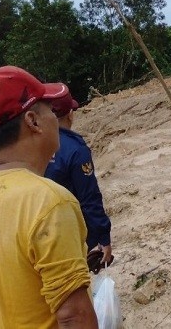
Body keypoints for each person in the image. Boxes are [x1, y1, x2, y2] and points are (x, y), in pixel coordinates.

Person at [0, 66, 97, 328]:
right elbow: (73, 316)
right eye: (51, 110)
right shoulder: (50, 202)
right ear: (33, 121)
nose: (56, 118)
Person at [45, 87, 113, 273]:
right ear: (70, 115)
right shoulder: (76, 150)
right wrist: (103, 237)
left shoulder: (31, 144)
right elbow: (89, 198)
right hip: (69, 235)